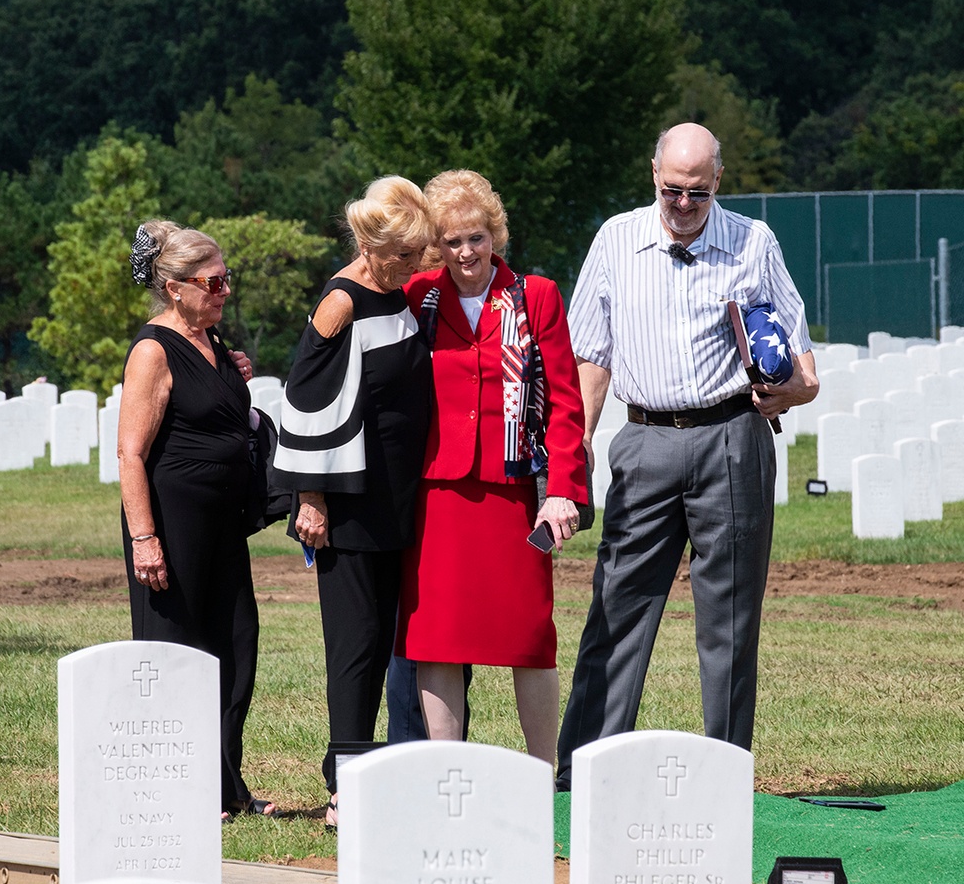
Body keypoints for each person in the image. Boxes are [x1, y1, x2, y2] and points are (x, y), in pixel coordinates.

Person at [555, 122, 819, 789]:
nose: (681, 205)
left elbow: (806, 369)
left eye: (696, 194)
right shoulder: (616, 240)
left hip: (730, 438)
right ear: (653, 175)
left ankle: (724, 770)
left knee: (729, 618)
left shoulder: (753, 244)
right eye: (672, 190)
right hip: (643, 438)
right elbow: (590, 355)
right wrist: (577, 448)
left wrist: (785, 391)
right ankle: (584, 767)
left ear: (717, 184)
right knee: (617, 602)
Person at [395, 170, 587, 766]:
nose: (465, 252)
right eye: (451, 241)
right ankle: (444, 769)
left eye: (475, 237)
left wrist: (563, 492)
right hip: (437, 495)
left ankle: (542, 769)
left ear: (495, 235)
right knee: (439, 640)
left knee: (529, 637)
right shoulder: (419, 296)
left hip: (514, 497)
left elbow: (564, 401)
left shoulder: (536, 297)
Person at [272, 177, 434, 826]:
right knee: (357, 643)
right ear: (371, 247)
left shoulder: (390, 292)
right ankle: (344, 783)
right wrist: (310, 499)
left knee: (395, 637)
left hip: (398, 495)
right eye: (405, 255)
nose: (417, 266)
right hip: (349, 504)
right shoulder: (341, 302)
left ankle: (388, 767)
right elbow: (305, 401)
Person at [118, 220, 275, 820]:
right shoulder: (154, 350)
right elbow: (131, 452)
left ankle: (226, 784)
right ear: (174, 286)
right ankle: (188, 787)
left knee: (235, 647)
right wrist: (145, 538)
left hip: (223, 524)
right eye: (213, 282)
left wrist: (233, 380)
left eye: (227, 280)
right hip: (172, 526)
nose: (224, 292)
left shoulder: (213, 343)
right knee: (178, 651)